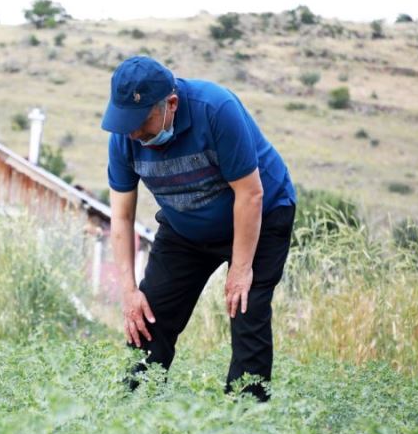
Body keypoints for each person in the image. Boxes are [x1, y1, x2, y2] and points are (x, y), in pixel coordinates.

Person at [102, 56, 296, 401]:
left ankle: (245, 417)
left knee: (245, 309)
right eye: (125, 122)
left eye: (141, 122)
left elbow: (250, 195)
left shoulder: (215, 108)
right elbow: (121, 218)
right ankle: (133, 409)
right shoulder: (123, 138)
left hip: (260, 215)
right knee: (149, 315)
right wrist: (129, 290)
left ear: (171, 105)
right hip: (185, 226)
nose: (133, 132)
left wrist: (240, 268)